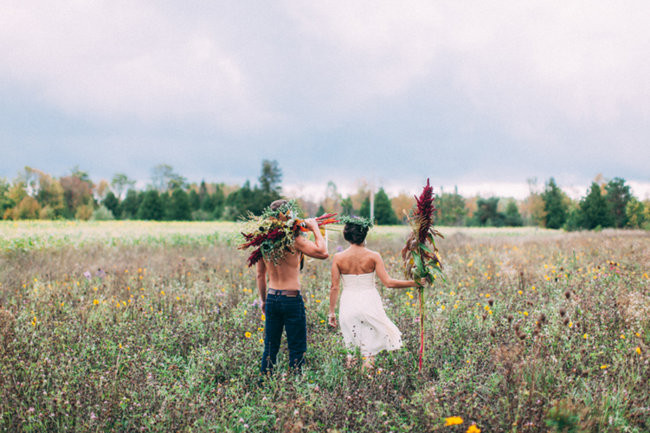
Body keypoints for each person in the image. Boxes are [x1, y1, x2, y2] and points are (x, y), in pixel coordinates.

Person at [328, 216, 420, 370]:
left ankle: (352, 387)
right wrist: (414, 283)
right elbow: (389, 283)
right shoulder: (373, 256)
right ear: (364, 234)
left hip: (348, 304)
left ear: (347, 235)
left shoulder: (338, 257)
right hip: (369, 302)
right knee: (368, 350)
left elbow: (334, 287)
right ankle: (367, 382)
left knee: (351, 348)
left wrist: (331, 313)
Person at [256, 200, 329, 375]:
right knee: (297, 348)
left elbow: (260, 275)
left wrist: (263, 300)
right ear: (289, 216)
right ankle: (296, 387)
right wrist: (315, 228)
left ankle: (264, 384)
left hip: (273, 297)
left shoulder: (262, 242)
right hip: (291, 299)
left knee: (270, 347)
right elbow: (323, 253)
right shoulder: (295, 240)